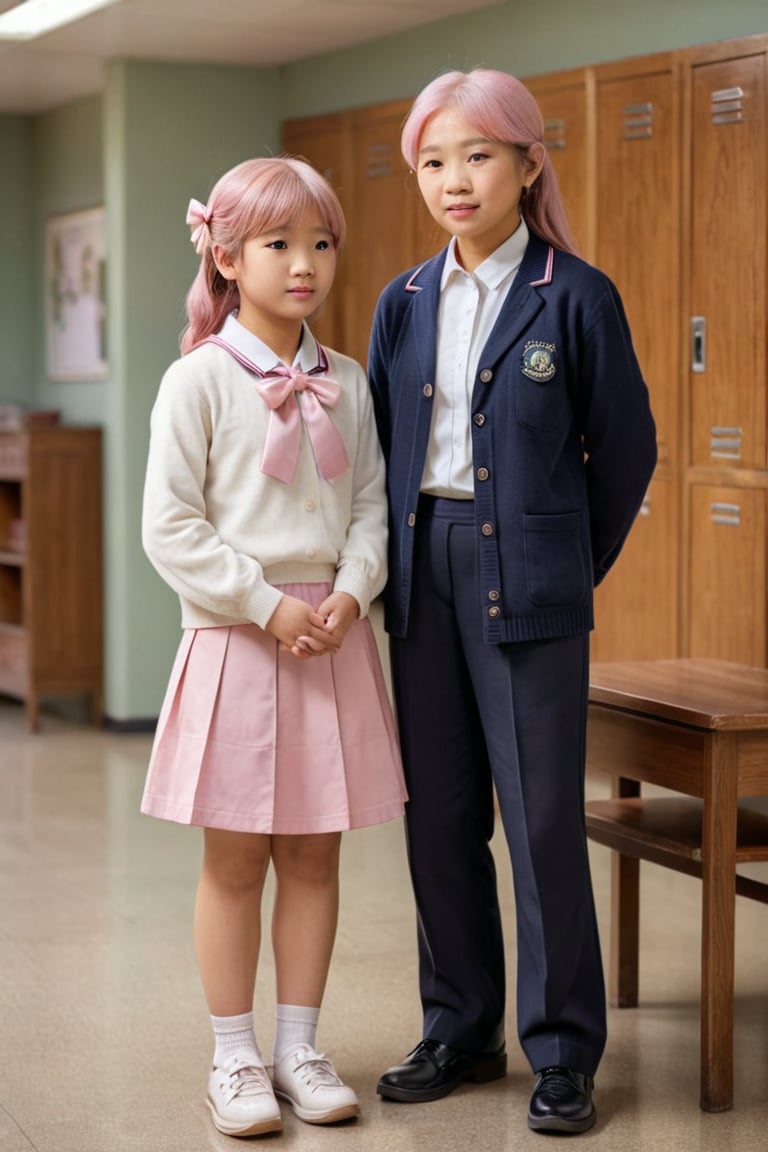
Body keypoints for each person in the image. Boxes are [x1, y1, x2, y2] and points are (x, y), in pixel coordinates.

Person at [368, 69, 657, 1135]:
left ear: (528, 164)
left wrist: (567, 563)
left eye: (477, 155)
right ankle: (458, 1029)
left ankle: (564, 1051)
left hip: (531, 579)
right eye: (434, 160)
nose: (453, 178)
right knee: (438, 818)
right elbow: (384, 452)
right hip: (421, 571)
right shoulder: (402, 301)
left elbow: (626, 453)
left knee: (540, 825)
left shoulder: (573, 294)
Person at [140, 156, 406, 1139]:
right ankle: (234, 1054)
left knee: (314, 856)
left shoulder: (348, 380)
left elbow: (373, 506)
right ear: (226, 254)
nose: (305, 265)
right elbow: (170, 526)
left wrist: (349, 592)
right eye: (279, 244)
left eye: (321, 243)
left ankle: (299, 1043)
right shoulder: (197, 381)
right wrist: (263, 604)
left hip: (330, 639)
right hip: (238, 641)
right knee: (237, 861)